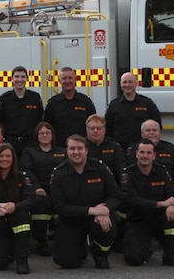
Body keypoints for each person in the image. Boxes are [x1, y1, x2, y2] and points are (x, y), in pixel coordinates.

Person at [50, 134, 121, 269]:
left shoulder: (100, 168)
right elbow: (60, 208)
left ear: (86, 150)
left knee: (109, 222)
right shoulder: (59, 174)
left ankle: (100, 254)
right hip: (71, 220)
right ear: (67, 150)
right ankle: (79, 247)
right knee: (68, 262)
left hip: (97, 219)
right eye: (72, 148)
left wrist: (104, 210)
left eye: (79, 148)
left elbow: (116, 196)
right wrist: (91, 210)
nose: (76, 152)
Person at [120, 139, 174, 267]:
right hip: (138, 220)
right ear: (136, 154)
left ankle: (171, 256)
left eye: (148, 153)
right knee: (134, 259)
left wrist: (172, 204)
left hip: (159, 220)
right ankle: (145, 248)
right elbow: (133, 201)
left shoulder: (162, 171)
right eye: (142, 152)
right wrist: (163, 204)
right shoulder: (128, 174)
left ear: (154, 155)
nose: (145, 156)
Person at [0, 143, 36, 274]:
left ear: (13, 158)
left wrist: (15, 206)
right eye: (1, 156)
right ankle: (9, 250)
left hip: (18, 219)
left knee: (22, 215)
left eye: (8, 156)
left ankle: (22, 259)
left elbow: (31, 199)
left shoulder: (22, 177)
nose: (5, 159)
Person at [19, 122, 66, 256]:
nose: (45, 135)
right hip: (38, 190)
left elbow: (65, 171)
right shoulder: (29, 152)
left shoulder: (62, 152)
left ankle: (61, 238)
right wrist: (36, 187)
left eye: (48, 132)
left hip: (58, 189)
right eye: (42, 133)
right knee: (41, 202)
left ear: (52, 135)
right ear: (37, 136)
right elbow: (26, 171)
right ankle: (41, 241)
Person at [105, 72, 161, 154]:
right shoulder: (113, 105)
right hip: (119, 151)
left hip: (142, 151)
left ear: (136, 84)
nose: (127, 85)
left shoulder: (147, 103)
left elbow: (157, 126)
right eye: (124, 82)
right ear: (120, 84)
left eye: (130, 82)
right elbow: (107, 129)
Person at [137, 119, 174, 204]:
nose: (151, 132)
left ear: (160, 133)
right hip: (143, 191)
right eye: (148, 130)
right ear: (142, 134)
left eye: (154, 130)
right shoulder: (135, 149)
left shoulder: (169, 148)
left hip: (167, 190)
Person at [0, 66, 44, 156]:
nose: (20, 80)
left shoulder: (35, 98)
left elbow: (40, 120)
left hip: (31, 143)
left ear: (27, 78)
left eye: (22, 77)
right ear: (12, 79)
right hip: (10, 144)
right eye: (17, 77)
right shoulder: (4, 99)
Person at [43, 67, 96, 143]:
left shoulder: (86, 102)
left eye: (70, 78)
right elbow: (47, 127)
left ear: (75, 79)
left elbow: (93, 125)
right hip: (59, 148)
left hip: (81, 148)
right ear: (59, 81)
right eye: (64, 78)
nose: (67, 81)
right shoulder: (52, 103)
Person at [85, 114, 126, 185]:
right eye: (92, 128)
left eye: (98, 128)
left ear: (104, 130)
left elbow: (121, 170)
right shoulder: (81, 147)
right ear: (87, 129)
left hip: (111, 185)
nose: (95, 131)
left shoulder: (113, 146)